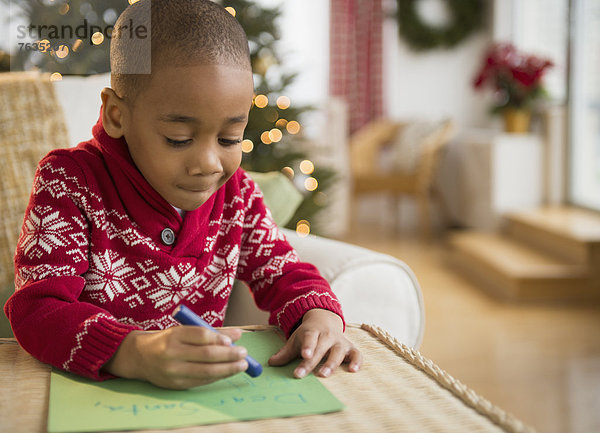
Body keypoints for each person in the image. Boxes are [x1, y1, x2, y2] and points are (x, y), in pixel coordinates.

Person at [4, 0, 361, 390]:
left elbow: (285, 272)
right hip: (87, 394)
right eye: (179, 139)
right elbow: (37, 310)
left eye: (229, 138)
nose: (208, 163)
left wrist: (320, 317)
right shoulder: (69, 181)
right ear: (117, 115)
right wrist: (133, 352)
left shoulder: (237, 195)